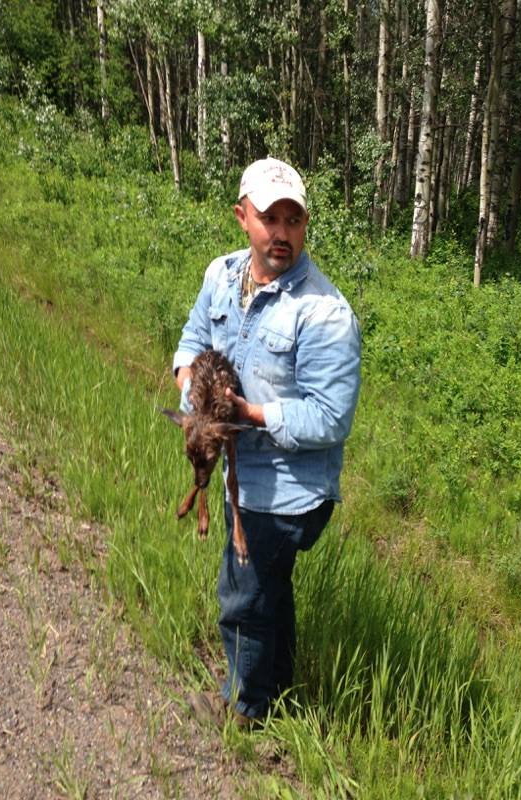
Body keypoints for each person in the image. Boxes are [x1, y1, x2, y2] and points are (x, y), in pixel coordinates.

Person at [173, 157, 361, 725]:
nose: (282, 234)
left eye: (294, 221)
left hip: (290, 490)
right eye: (269, 218)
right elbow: (191, 339)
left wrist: (249, 412)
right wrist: (192, 388)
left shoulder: (325, 313)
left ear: (305, 226)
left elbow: (331, 419)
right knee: (269, 590)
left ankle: (246, 710)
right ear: (242, 217)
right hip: (239, 476)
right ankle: (276, 688)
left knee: (244, 595)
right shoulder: (220, 276)